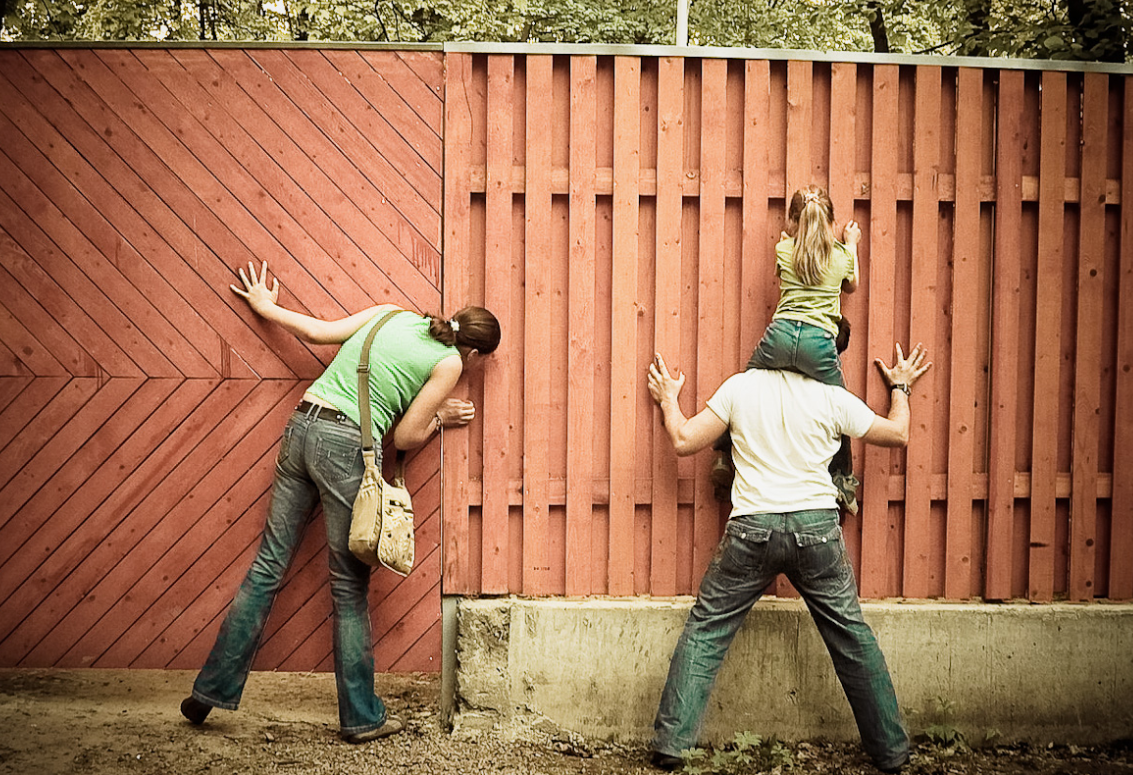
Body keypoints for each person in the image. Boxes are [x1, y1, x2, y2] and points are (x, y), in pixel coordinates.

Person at [180, 260, 500, 743]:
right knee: (348, 587)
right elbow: (409, 434)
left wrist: (267, 306)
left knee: (268, 566)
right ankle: (361, 717)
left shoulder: (391, 314)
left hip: (301, 425)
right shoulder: (450, 362)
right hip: (343, 445)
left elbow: (315, 331)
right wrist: (442, 418)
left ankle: (209, 691)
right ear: (474, 352)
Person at [647, 341, 931, 774]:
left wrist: (669, 400)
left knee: (706, 629)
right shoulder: (829, 395)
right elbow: (898, 435)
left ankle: (672, 744)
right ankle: (891, 752)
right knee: (852, 637)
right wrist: (901, 389)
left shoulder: (741, 388)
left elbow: (684, 439)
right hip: (816, 529)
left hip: (751, 529)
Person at [711, 184, 861, 511]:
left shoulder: (784, 251)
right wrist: (850, 245)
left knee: (743, 388)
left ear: (793, 223)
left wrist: (787, 240)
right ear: (831, 222)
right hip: (818, 343)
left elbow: (789, 267)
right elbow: (851, 286)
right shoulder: (840, 257)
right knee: (841, 406)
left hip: (780, 336)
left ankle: (725, 455)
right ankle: (842, 479)